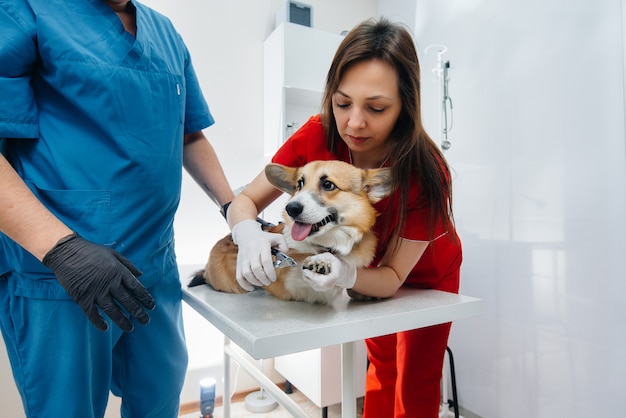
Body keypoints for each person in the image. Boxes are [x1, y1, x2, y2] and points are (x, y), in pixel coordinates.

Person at [0, 1, 235, 417]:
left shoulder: (164, 33)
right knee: (67, 409)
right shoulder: (26, 11)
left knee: (160, 398)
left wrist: (234, 209)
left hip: (153, 267)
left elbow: (189, 135)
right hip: (62, 274)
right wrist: (62, 250)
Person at [227, 18, 462, 418]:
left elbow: (390, 279)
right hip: (367, 264)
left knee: (417, 381)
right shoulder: (317, 135)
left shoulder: (424, 170)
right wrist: (246, 230)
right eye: (341, 102)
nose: (354, 122)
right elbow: (245, 199)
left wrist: (346, 275)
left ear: (406, 105)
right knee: (380, 365)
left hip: (425, 277)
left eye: (376, 108)